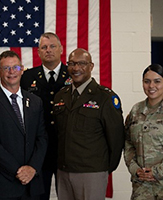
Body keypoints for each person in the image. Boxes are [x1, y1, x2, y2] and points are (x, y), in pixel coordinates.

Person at [53, 48, 125, 200]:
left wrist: (103, 169)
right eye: (71, 63)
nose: (76, 68)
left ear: (91, 66)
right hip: (64, 171)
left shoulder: (105, 97)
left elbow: (116, 139)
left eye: (82, 63)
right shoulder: (61, 95)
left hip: (92, 172)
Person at [0, 50, 48, 200]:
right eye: (6, 68)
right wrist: (17, 171)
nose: (11, 72)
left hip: (32, 185)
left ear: (22, 70)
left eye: (15, 67)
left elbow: (42, 138)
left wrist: (32, 168)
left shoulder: (35, 102)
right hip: (3, 184)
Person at [124, 64, 163, 199]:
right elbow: (128, 143)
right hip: (142, 186)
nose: (151, 86)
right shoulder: (136, 111)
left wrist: (158, 171)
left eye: (157, 81)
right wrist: (135, 169)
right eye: (147, 81)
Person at [20, 32, 70, 200]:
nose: (48, 50)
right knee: (38, 196)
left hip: (65, 147)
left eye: (52, 46)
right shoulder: (27, 77)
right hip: (37, 148)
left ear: (61, 49)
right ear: (38, 52)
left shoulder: (72, 75)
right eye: (44, 47)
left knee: (67, 195)